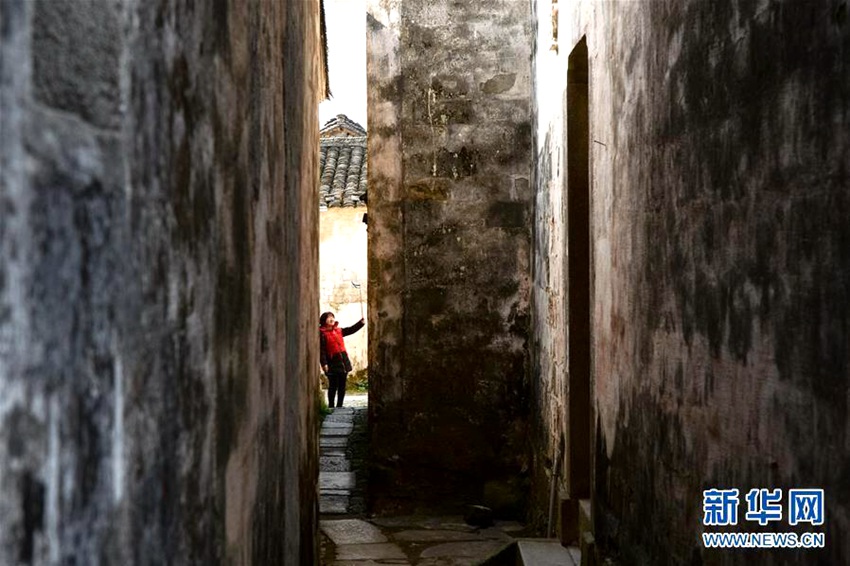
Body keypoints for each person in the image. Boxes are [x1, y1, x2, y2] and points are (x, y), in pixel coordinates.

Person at [319, 312, 364, 408]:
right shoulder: (322, 333)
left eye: (332, 317)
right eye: (329, 318)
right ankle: (331, 405)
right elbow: (321, 350)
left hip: (343, 361)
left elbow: (350, 330)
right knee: (333, 385)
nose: (331, 319)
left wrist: (360, 323)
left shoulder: (339, 330)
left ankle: (340, 405)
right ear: (324, 320)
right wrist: (324, 364)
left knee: (342, 385)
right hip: (332, 362)